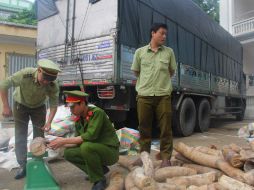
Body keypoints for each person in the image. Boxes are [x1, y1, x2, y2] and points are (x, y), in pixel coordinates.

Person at [0, 59, 61, 179]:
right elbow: (3, 85)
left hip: (39, 108)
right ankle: (23, 165)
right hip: (20, 105)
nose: (45, 83)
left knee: (39, 136)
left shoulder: (52, 85)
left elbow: (54, 104)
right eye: (44, 79)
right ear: (39, 70)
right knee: (20, 135)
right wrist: (6, 106)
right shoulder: (24, 74)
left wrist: (49, 122)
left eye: (49, 81)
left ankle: (38, 162)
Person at [48, 90, 120, 190]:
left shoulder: (97, 113)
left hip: (110, 152)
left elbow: (89, 136)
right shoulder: (79, 120)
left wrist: (63, 141)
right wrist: (57, 144)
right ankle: (99, 171)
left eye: (73, 107)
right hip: (95, 149)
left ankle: (99, 180)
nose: (71, 110)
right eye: (69, 107)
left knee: (86, 146)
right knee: (68, 153)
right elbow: (77, 142)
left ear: (82, 104)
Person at [131, 23, 177, 168]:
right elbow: (137, 72)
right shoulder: (140, 52)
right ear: (153, 33)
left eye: (165, 34)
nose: (164, 36)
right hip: (144, 95)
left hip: (163, 95)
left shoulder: (169, 52)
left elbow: (171, 72)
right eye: (161, 33)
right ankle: (143, 156)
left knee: (165, 128)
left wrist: (160, 83)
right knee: (144, 127)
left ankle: (165, 159)